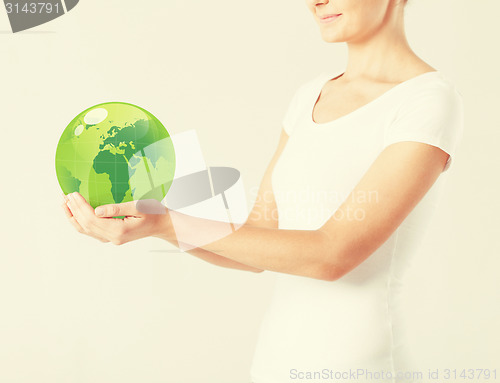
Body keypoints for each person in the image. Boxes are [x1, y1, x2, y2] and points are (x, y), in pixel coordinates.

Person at [61, 0, 464, 381]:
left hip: (363, 369)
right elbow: (259, 242)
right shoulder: (310, 94)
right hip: (274, 365)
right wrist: (152, 225)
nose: (316, 0)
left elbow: (333, 255)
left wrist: (169, 225)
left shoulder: (426, 101)